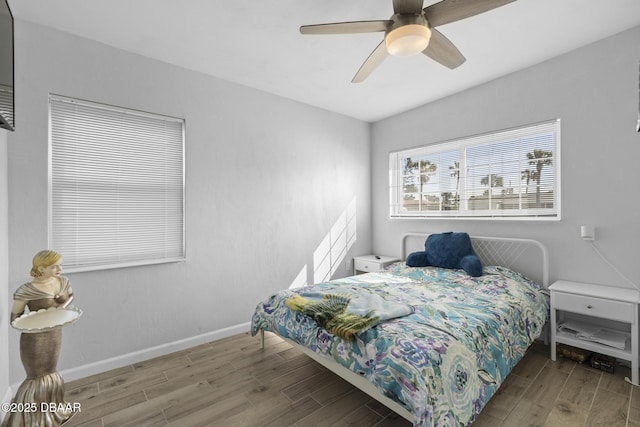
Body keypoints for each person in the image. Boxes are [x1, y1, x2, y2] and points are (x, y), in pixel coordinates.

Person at [2, 250, 76, 427]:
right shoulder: (26, 290)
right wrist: (38, 319)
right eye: (54, 266)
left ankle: (53, 410)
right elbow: (15, 319)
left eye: (60, 264)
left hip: (54, 334)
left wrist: (61, 307)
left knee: (51, 370)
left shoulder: (63, 281)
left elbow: (70, 296)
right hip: (34, 339)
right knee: (36, 375)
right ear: (41, 269)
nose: (60, 268)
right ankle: (31, 420)